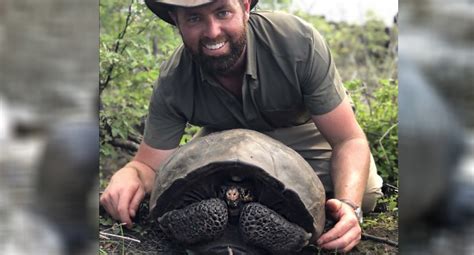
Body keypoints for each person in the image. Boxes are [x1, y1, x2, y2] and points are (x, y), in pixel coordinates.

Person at [100, 0, 383, 252]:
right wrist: (130, 175)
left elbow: (348, 140)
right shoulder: (174, 79)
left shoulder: (296, 41)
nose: (212, 32)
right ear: (177, 21)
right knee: (173, 188)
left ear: (246, 7)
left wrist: (349, 206)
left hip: (301, 134)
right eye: (194, 19)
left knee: (365, 191)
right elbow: (148, 166)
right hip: (222, 142)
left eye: (222, 12)